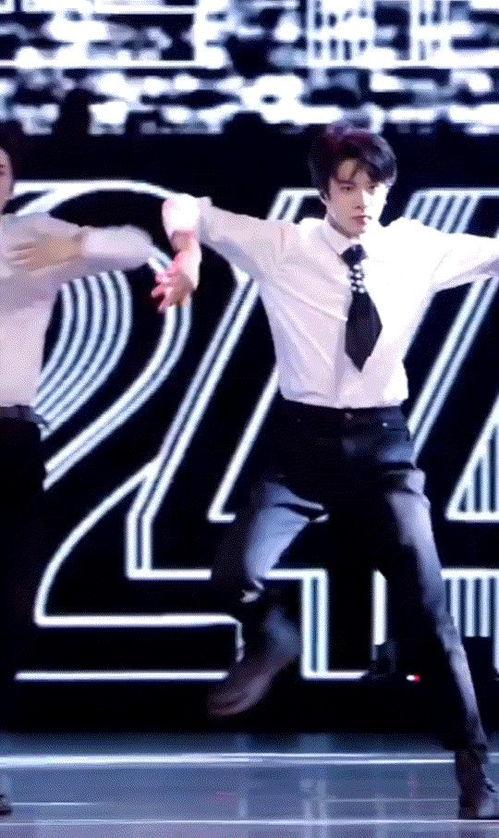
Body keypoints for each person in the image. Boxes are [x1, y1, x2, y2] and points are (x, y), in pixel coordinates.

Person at [153, 123, 499, 820]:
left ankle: (473, 766)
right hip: (300, 448)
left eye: (373, 186)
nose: (361, 200)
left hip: (383, 450)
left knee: (429, 610)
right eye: (346, 187)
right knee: (233, 573)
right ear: (323, 191)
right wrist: (188, 252)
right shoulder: (284, 246)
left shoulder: (417, 247)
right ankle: (271, 633)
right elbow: (183, 205)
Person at [0, 128, 153, 816]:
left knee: (10, 607)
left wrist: (77, 246)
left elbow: (136, 245)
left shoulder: (31, 235)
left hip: (10, 439)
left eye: (2, 167)